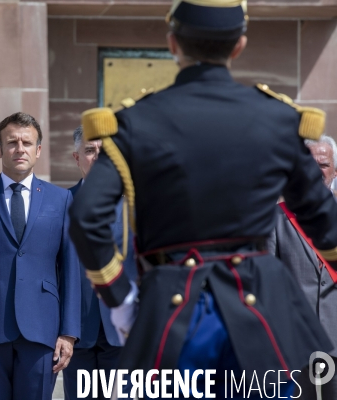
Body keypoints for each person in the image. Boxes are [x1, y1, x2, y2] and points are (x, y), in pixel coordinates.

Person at [68, 0, 337, 398]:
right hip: (262, 311)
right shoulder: (280, 119)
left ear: (173, 43)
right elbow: (326, 227)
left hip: (170, 310)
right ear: (239, 45)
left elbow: (86, 219)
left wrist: (121, 302)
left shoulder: (134, 121)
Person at [0, 112, 81, 400]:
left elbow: (70, 270)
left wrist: (68, 333)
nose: (19, 149)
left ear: (38, 150)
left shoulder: (61, 200)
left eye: (27, 143)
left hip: (43, 331)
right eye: (12, 142)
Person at [63, 126, 136, 400]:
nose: (96, 158)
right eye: (89, 151)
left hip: (123, 330)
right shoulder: (60, 204)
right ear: (76, 158)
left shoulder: (135, 208)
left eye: (103, 153)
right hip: (77, 331)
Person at [268, 135, 337, 400]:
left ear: (334, 170)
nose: (316, 171)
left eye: (323, 164)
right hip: (293, 344)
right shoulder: (276, 219)